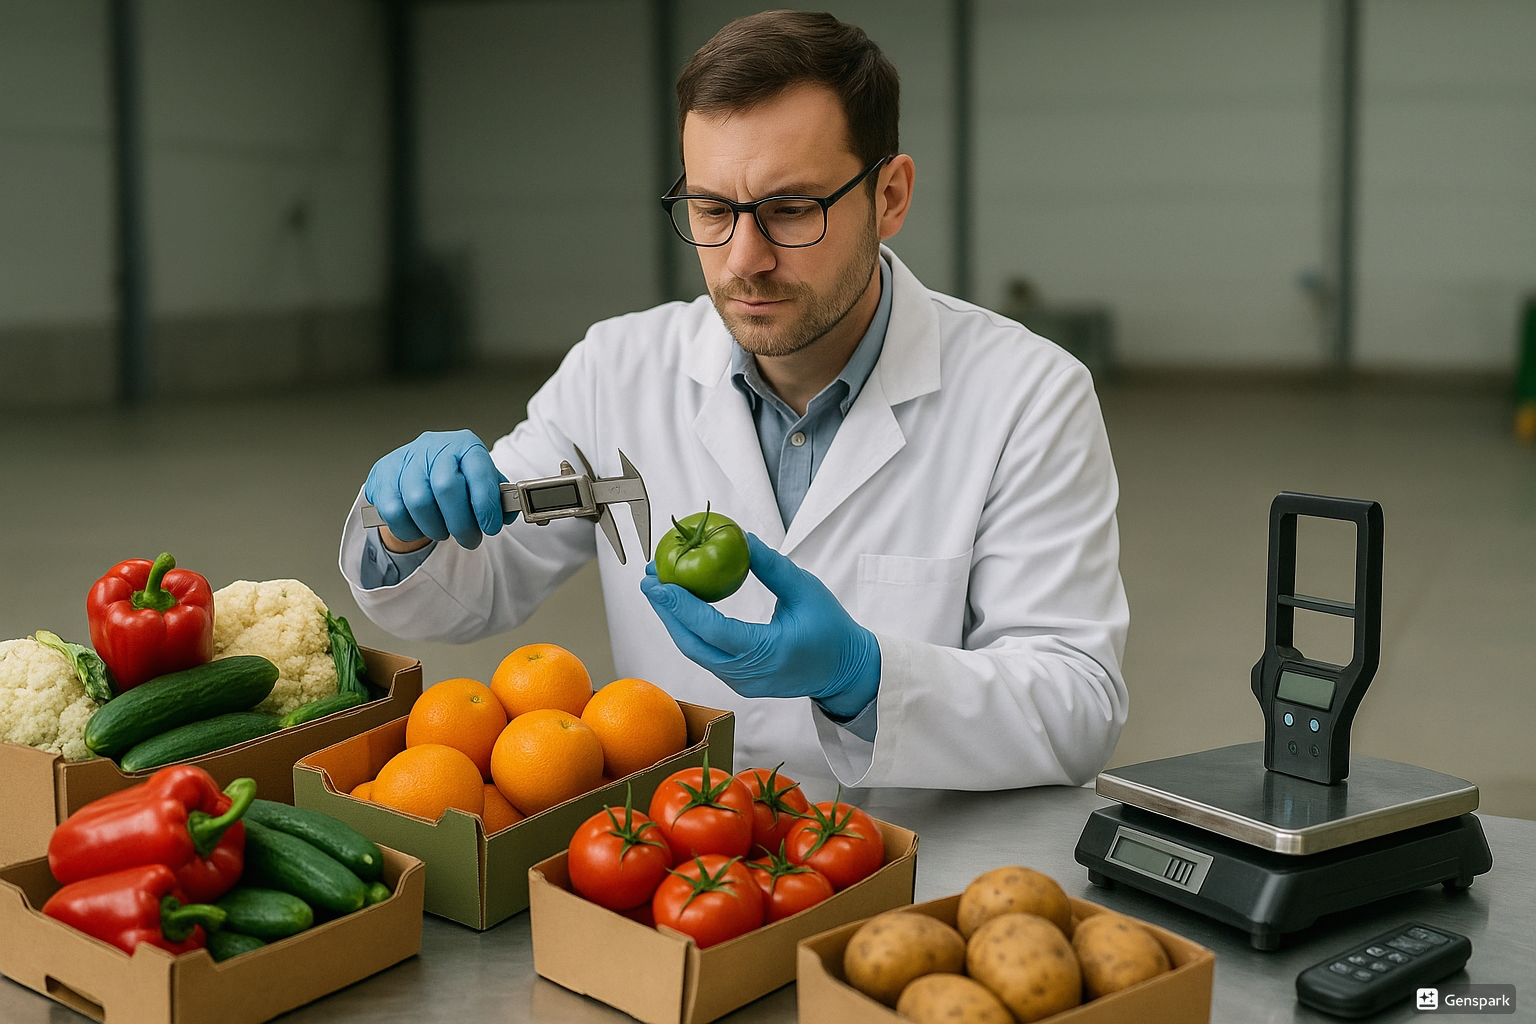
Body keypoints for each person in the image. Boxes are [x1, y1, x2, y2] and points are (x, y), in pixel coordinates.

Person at [342, 10, 1128, 793]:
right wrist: (405, 531)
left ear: (889, 196)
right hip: (681, 861)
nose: (744, 261)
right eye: (713, 211)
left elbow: (1076, 708)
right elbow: (460, 599)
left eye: (790, 210)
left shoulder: (1029, 394)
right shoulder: (617, 368)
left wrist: (863, 677)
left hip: (916, 870)